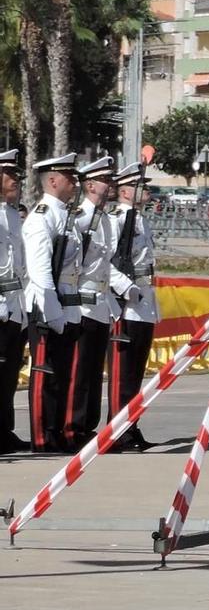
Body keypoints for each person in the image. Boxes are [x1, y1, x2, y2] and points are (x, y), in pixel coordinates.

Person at [23, 154, 81, 454]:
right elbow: (41, 271)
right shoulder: (42, 216)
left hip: (66, 305)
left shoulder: (65, 215)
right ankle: (42, 437)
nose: (75, 183)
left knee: (62, 374)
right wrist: (54, 311)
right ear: (54, 181)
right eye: (70, 178)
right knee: (46, 374)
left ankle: (56, 431)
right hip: (48, 307)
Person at [106, 163, 162, 451]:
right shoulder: (116, 219)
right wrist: (124, 288)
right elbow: (106, 261)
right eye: (141, 186)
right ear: (126, 191)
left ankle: (131, 425)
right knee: (122, 372)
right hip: (125, 303)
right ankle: (116, 430)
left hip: (143, 298)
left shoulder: (140, 219)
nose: (147, 191)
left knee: (136, 372)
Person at [65, 157, 118, 446]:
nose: (110, 185)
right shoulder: (80, 218)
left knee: (95, 369)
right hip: (83, 301)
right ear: (89, 185)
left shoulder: (107, 220)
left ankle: (87, 426)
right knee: (80, 369)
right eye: (105, 180)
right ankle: (72, 426)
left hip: (101, 301)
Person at [0, 151, 26, 453]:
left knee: (8, 373)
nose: (15, 180)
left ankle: (4, 429)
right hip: (2, 304)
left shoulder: (10, 213)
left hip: (15, 303)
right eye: (10, 175)